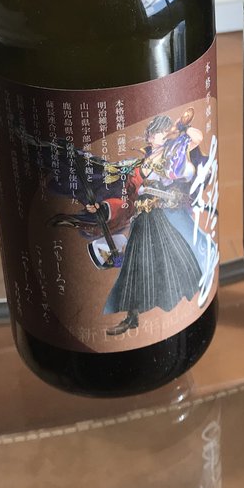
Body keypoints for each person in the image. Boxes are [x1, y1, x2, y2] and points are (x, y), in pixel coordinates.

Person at [99, 111, 205, 335]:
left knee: (169, 255)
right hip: (141, 217)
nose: (157, 135)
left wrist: (182, 128)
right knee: (135, 265)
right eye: (155, 132)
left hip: (156, 214)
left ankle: (187, 297)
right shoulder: (145, 158)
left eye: (161, 132)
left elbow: (197, 138)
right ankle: (132, 317)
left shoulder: (172, 151)